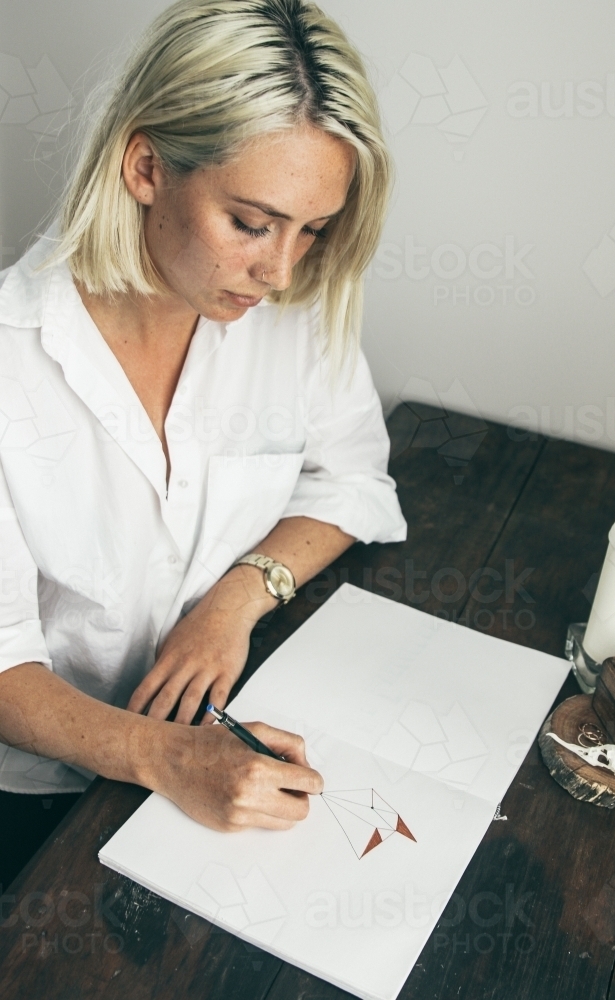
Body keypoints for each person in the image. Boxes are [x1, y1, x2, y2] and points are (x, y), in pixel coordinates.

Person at [0, 0, 406, 884]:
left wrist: (237, 597)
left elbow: (352, 480)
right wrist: (169, 760)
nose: (283, 270)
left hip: (230, 728)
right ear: (146, 166)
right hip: (36, 800)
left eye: (314, 230)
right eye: (252, 223)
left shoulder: (285, 314)